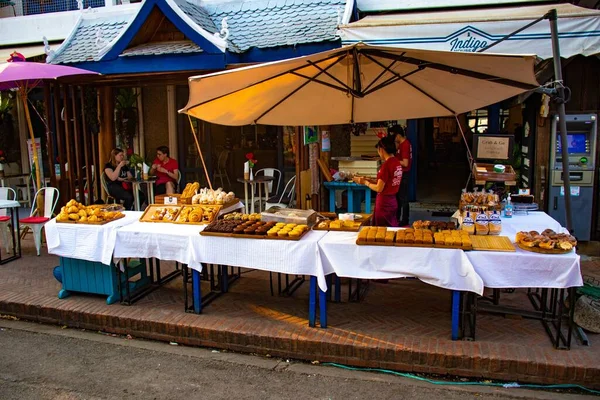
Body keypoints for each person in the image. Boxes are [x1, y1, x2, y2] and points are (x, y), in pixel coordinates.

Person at [355, 136, 402, 227]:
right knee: (391, 230)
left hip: (384, 203)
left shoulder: (386, 165)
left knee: (381, 230)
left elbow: (379, 188)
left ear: (381, 149)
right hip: (393, 201)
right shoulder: (397, 162)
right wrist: (369, 180)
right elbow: (387, 180)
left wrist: (365, 183)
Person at [391, 125, 412, 227]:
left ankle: (404, 219)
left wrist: (394, 161)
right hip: (401, 173)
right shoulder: (401, 144)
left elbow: (405, 163)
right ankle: (398, 217)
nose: (394, 139)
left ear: (398, 135)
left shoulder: (405, 145)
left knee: (403, 198)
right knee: (398, 198)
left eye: (394, 136)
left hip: (404, 174)